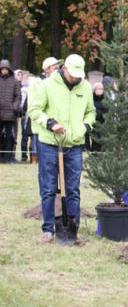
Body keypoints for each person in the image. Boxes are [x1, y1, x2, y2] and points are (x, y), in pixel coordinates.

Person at [28, 54, 96, 244]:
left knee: (73, 189)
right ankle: (48, 230)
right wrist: (49, 123)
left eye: (78, 75)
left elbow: (91, 112)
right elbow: (33, 110)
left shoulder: (86, 87)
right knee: (49, 188)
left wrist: (86, 127)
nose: (76, 78)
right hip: (49, 143)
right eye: (72, 74)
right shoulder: (47, 85)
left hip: (74, 145)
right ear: (64, 68)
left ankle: (73, 230)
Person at [0, 59, 22, 163]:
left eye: (5, 68)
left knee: (10, 137)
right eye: (2, 69)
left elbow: (18, 97)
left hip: (10, 114)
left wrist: (15, 107)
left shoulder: (15, 81)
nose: (4, 70)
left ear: (9, 69)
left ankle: (8, 157)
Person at [87, 83, 108, 152]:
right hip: (94, 124)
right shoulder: (91, 99)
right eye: (98, 89)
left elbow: (107, 111)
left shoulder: (105, 100)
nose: (100, 90)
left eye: (101, 89)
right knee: (95, 143)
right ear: (94, 90)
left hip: (103, 125)